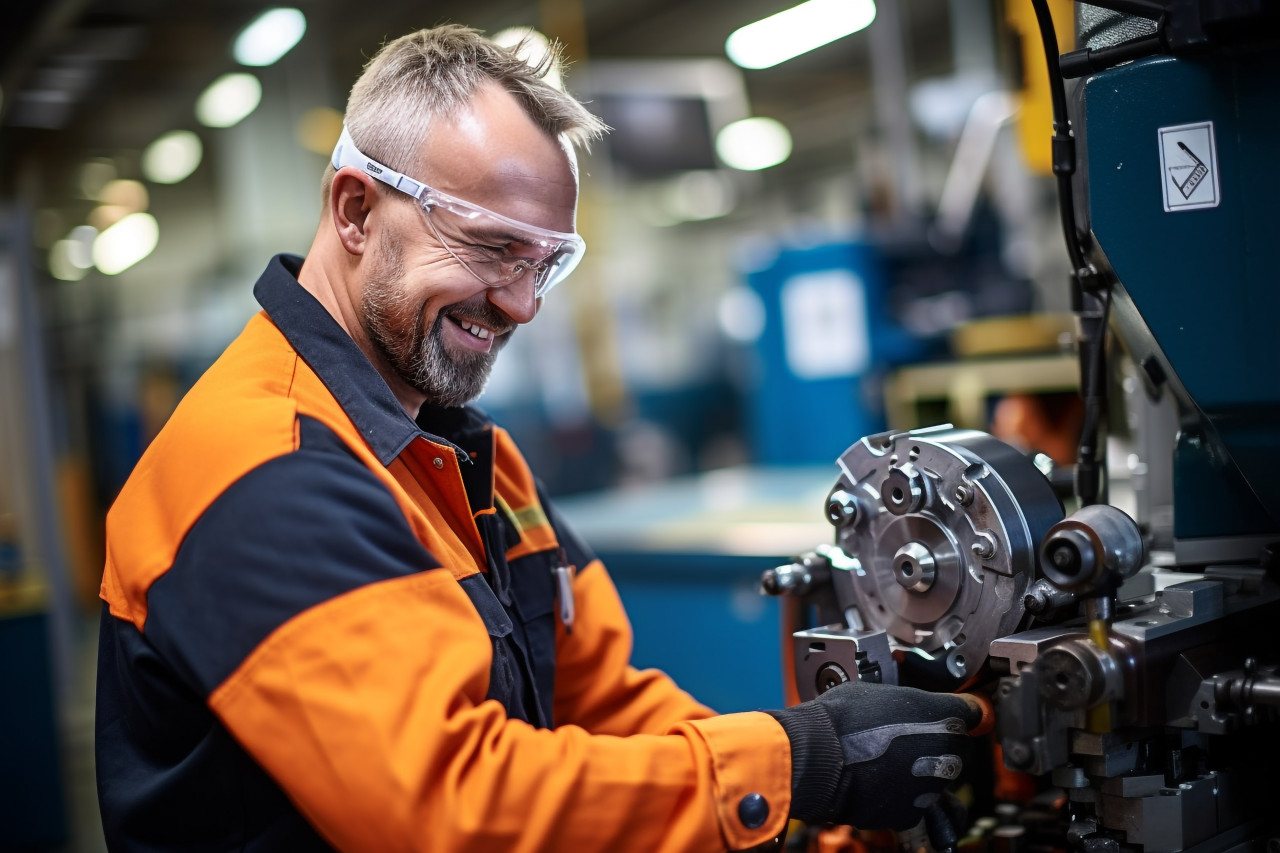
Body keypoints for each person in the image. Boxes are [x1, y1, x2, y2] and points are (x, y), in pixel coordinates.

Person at [95, 25, 978, 852]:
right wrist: (798, 763)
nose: (521, 303)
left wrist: (802, 809)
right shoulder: (262, 468)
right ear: (357, 211)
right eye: (490, 248)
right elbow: (443, 807)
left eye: (544, 262)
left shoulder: (477, 463)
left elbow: (599, 701)